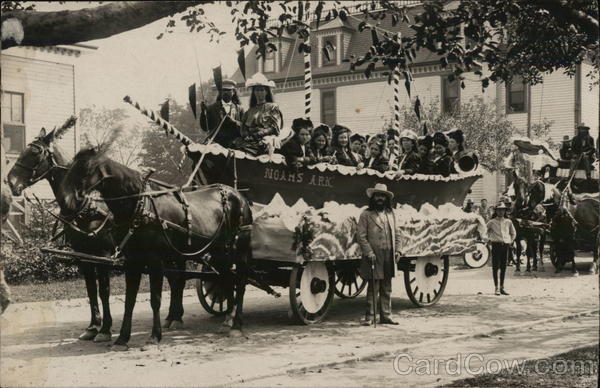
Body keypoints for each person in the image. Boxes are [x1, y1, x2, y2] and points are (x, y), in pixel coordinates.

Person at [357, 183, 401, 325]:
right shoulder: (366, 215)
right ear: (373, 198)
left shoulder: (391, 214)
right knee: (373, 286)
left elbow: (398, 234)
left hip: (389, 254)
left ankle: (386, 316)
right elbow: (361, 236)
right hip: (374, 255)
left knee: (387, 287)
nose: (380, 198)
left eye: (382, 196)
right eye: (377, 196)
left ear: (386, 198)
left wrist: (398, 250)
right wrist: (368, 252)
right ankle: (370, 317)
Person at [233, 73, 283, 155]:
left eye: (262, 90)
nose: (259, 93)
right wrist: (246, 135)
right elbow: (243, 128)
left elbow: (275, 128)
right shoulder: (249, 111)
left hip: (265, 139)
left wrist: (260, 133)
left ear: (266, 92)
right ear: (254, 92)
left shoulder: (272, 107)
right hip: (249, 140)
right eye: (257, 90)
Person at [199, 79, 245, 148]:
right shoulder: (211, 108)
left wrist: (234, 122)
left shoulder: (239, 109)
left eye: (228, 90)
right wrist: (203, 113)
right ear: (220, 92)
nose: (226, 92)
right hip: (216, 147)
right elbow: (205, 127)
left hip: (235, 147)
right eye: (223, 90)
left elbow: (245, 128)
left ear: (233, 92)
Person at [486, 202, 516, 295]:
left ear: (505, 211)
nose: (501, 212)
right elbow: (484, 231)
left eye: (502, 210)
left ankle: (502, 287)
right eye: (499, 210)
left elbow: (513, 233)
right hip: (496, 245)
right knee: (495, 267)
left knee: (503, 267)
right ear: (496, 211)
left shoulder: (508, 221)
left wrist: (510, 241)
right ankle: (496, 288)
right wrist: (488, 239)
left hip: (505, 245)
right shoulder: (491, 222)